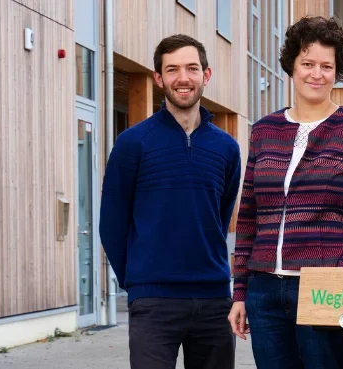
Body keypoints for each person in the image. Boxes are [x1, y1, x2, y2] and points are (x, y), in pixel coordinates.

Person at [227, 16, 343, 369]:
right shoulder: (264, 131)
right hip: (265, 292)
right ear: (292, 66)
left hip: (327, 291)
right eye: (307, 63)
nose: (316, 74)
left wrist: (340, 276)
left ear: (338, 71)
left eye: (326, 66)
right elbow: (248, 219)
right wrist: (240, 292)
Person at [99, 34, 241, 369]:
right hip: (154, 300)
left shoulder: (226, 147)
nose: (183, 78)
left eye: (192, 68)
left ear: (206, 75)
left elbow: (219, 218)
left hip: (214, 298)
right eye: (172, 69)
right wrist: (138, 281)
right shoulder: (133, 143)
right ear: (159, 78)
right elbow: (112, 222)